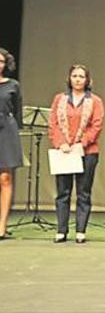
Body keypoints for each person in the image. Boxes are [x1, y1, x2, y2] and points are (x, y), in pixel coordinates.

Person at [48, 64, 105, 244]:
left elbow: (97, 125)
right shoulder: (60, 99)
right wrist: (61, 143)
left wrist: (82, 143)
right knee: (63, 192)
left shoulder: (95, 100)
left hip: (87, 152)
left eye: (81, 76)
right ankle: (61, 230)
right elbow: (53, 123)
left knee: (83, 192)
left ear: (87, 80)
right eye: (75, 76)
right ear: (69, 78)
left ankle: (81, 230)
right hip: (64, 151)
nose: (78, 79)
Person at [0, 48, 23, 240]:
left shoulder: (13, 85)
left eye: (1, 61)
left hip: (6, 131)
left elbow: (17, 113)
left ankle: (2, 225)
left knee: (5, 178)